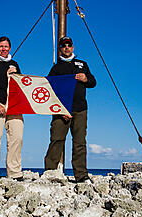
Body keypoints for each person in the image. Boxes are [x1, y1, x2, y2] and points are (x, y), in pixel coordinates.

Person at [44, 36, 96, 182]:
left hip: (80, 109)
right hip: (61, 111)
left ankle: (81, 176)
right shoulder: (56, 68)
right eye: (63, 46)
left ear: (73, 47)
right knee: (56, 140)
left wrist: (85, 79)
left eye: (69, 45)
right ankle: (50, 173)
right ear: (60, 49)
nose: (66, 48)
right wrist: (61, 110)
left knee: (79, 143)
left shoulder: (83, 64)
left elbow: (93, 82)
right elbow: (50, 89)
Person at [0, 36, 24, 180]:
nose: (3, 49)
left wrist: (16, 74)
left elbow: (21, 85)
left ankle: (14, 172)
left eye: (6, 46)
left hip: (14, 105)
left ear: (10, 48)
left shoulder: (15, 64)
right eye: (1, 46)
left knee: (16, 137)